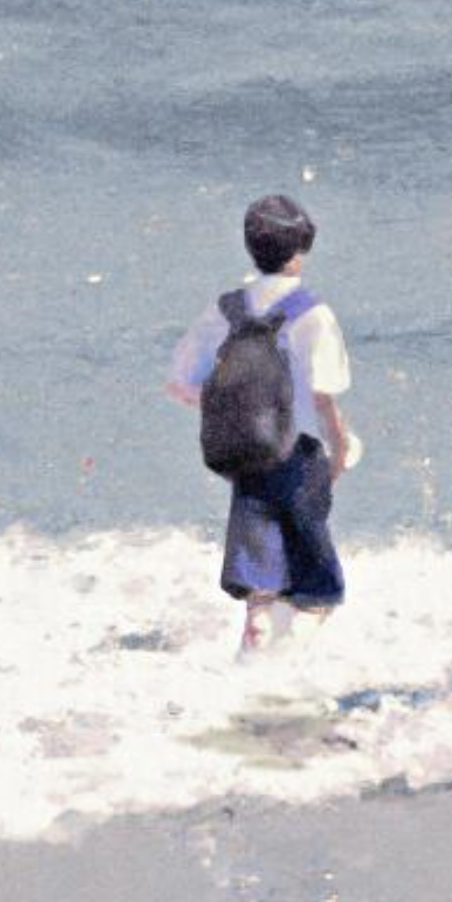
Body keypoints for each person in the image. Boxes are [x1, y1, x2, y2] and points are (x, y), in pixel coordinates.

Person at [166, 195, 353, 653]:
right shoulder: (313, 313)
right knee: (317, 595)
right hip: (300, 458)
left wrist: (238, 411)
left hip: (247, 461)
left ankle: (254, 647)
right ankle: (285, 665)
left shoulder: (226, 310)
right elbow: (324, 396)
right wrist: (341, 449)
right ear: (299, 253)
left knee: (260, 590)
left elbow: (180, 383)